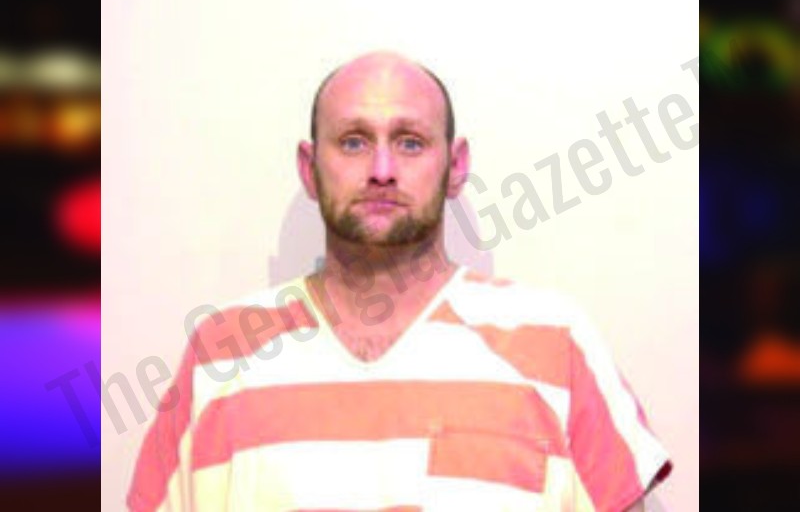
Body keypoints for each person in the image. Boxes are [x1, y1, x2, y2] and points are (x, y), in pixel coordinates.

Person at [128, 51, 672, 511]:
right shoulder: (221, 355)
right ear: (309, 168)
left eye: (410, 142)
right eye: (353, 142)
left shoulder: (556, 342)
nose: (382, 169)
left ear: (456, 166)